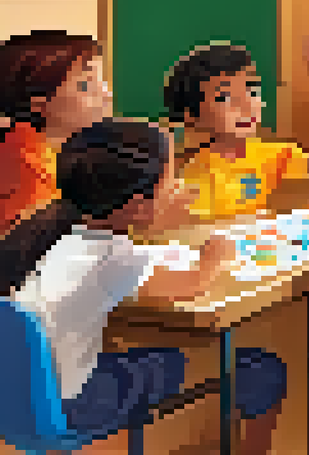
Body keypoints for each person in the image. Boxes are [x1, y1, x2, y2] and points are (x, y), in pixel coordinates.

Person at [0, 119, 285, 454]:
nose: (180, 188)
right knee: (260, 369)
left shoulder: (54, 238)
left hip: (17, 400)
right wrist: (214, 254)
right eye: (171, 181)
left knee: (146, 359)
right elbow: (192, 284)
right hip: (75, 404)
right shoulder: (115, 257)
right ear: (138, 204)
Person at [164, 37, 309, 220]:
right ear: (192, 117)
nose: (247, 106)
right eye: (225, 98)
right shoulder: (190, 169)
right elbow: (188, 226)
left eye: (252, 91)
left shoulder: (267, 155)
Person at [0, 31, 112, 231]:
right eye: (85, 85)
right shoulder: (26, 166)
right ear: (38, 103)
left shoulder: (73, 149)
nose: (107, 95)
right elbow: (40, 248)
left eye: (103, 81)